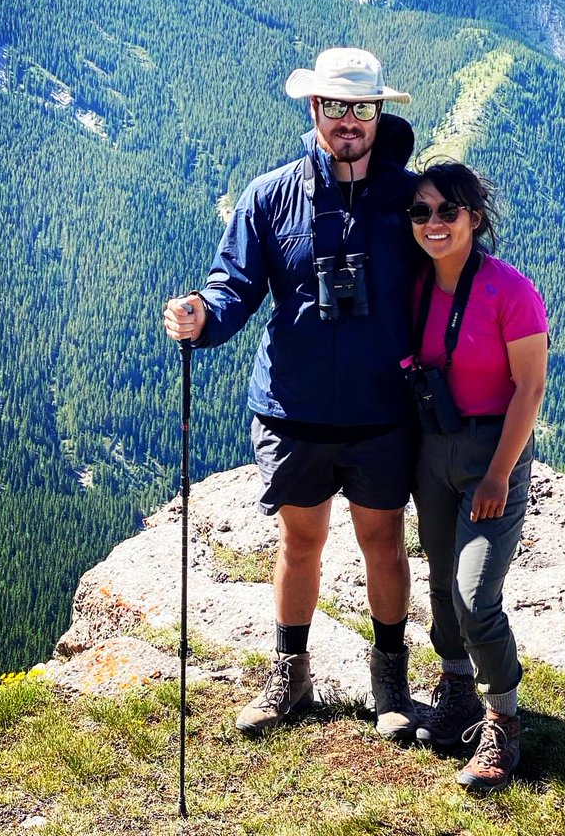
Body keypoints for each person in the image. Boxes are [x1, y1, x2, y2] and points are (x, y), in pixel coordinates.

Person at [163, 47, 420, 740]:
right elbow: (233, 286)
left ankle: (388, 683)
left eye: (360, 108)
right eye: (334, 107)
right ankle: (289, 673)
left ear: (378, 113)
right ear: (313, 109)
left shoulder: (410, 199)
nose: (348, 122)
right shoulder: (270, 195)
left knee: (383, 541)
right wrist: (201, 316)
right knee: (299, 540)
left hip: (382, 410)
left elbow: (454, 276)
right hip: (293, 408)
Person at [404, 162, 548, 792]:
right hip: (433, 446)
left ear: (475, 218)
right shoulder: (415, 286)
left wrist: (499, 475)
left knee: (473, 593)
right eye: (421, 212)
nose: (434, 223)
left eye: (447, 211)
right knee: (439, 579)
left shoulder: (510, 290)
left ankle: (502, 723)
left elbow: (530, 387)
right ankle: (457, 685)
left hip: (492, 450)